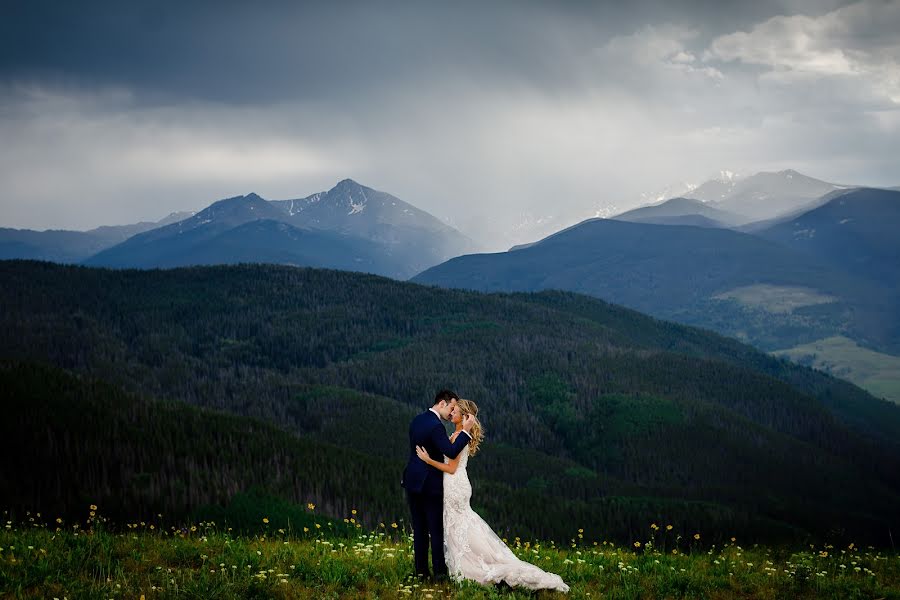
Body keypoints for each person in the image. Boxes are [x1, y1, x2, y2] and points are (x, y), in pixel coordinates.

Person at [415, 399, 570, 593]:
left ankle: (474, 566)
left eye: (455, 410)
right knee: (459, 524)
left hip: (454, 484)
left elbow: (452, 468)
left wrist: (428, 460)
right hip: (455, 484)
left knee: (457, 524)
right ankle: (473, 559)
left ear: (464, 417)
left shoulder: (459, 436)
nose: (451, 412)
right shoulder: (457, 435)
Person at [401, 389, 475, 581]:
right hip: (430, 485)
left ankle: (421, 572)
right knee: (435, 530)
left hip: (412, 480)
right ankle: (440, 575)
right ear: (442, 403)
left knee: (419, 529)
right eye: (451, 407)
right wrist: (466, 431)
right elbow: (451, 452)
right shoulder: (436, 426)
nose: (451, 413)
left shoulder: (417, 420)